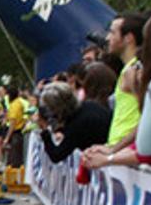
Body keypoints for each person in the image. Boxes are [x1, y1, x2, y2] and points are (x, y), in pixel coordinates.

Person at [37, 82, 111, 163]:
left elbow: (56, 155)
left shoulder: (77, 125)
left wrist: (45, 131)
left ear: (57, 108)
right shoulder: (89, 105)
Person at [102, 12, 145, 149]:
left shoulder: (137, 70)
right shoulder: (127, 68)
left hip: (127, 151)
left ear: (128, 38)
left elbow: (148, 116)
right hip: (119, 148)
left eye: (112, 33)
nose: (107, 38)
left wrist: (115, 149)